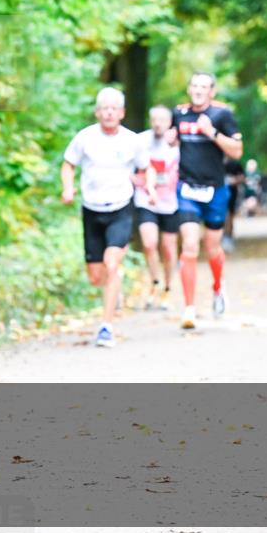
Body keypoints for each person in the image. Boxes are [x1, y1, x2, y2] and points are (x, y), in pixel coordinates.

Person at [61, 87, 152, 348]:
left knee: (112, 265)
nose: (109, 112)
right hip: (92, 210)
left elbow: (147, 169)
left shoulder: (132, 140)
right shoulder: (85, 138)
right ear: (97, 112)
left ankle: (106, 326)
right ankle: (113, 290)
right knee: (96, 276)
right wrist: (68, 188)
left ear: (122, 113)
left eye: (114, 108)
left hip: (121, 209)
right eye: (104, 108)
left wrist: (150, 186)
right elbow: (68, 165)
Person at [169, 73, 243, 329]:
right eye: (195, 86)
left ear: (212, 92)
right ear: (189, 89)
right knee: (189, 245)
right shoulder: (177, 114)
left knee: (212, 247)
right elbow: (168, 138)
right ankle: (189, 308)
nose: (199, 90)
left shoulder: (222, 116)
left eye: (204, 87)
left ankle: (218, 287)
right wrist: (168, 139)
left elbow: (237, 150)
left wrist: (212, 133)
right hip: (187, 189)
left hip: (215, 191)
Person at [133, 105, 180, 310]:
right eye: (154, 120)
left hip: (170, 202)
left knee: (168, 249)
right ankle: (155, 282)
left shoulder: (177, 144)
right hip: (145, 199)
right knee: (149, 243)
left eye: (162, 120)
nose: (158, 124)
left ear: (170, 122)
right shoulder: (140, 140)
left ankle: (168, 288)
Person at [223, 158, 246, 252]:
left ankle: (228, 237)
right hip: (217, 193)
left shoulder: (235, 164)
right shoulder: (214, 159)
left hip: (232, 193)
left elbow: (243, 177)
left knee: (229, 216)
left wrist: (234, 181)